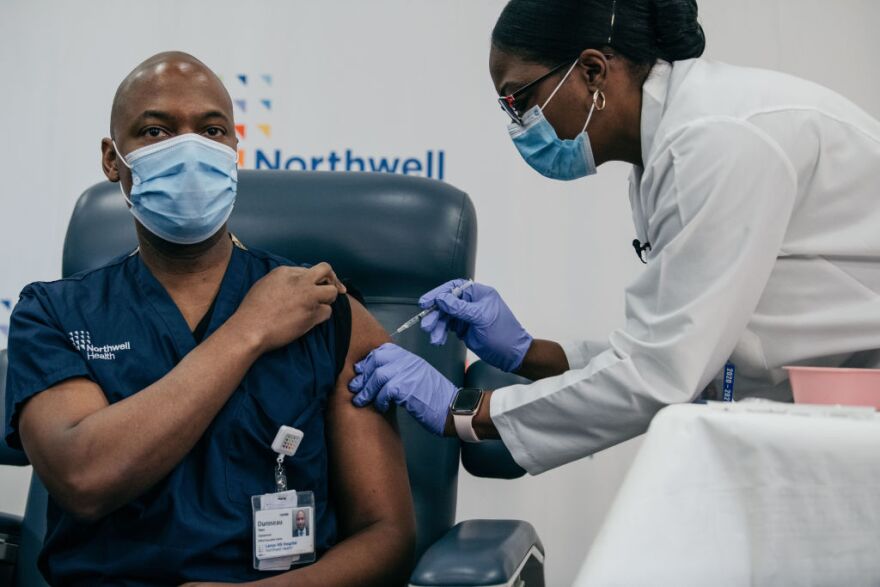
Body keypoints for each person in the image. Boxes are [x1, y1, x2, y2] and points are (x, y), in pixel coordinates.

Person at [349, 0, 880, 475]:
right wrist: (527, 353)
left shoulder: (716, 140)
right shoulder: (666, 155)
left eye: (519, 100)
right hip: (825, 413)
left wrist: (462, 412)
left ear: (592, 70)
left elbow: (659, 373)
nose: (517, 124)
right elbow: (680, 355)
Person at [3, 52, 415, 586]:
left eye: (212, 130)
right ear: (112, 159)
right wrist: (249, 330)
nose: (190, 149)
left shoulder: (323, 307)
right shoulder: (54, 314)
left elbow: (387, 535)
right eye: (156, 130)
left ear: (233, 152)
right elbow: (86, 477)